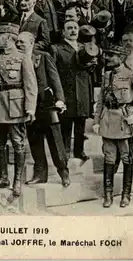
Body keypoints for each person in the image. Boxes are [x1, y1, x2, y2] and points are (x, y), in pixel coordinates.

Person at [0, 26, 37, 197]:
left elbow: (30, 85)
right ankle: (3, 176)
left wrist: (30, 108)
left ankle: (17, 180)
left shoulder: (22, 59)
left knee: (18, 144)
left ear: (9, 38)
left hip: (15, 108)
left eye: (0, 36)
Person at [93, 44, 133, 208]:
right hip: (108, 122)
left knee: (127, 159)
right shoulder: (107, 76)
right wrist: (96, 121)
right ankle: (108, 194)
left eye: (111, 55)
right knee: (109, 158)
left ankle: (126, 195)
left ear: (121, 57)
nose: (107, 58)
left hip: (125, 123)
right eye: (107, 55)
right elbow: (101, 102)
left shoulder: (132, 76)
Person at [22, 33, 70, 187]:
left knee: (55, 140)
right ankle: (40, 174)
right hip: (29, 106)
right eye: (16, 42)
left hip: (47, 104)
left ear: (31, 42)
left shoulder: (43, 56)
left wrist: (60, 99)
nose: (18, 44)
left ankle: (63, 172)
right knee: (35, 141)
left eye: (21, 42)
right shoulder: (18, 59)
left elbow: (54, 78)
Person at [51, 21, 95, 161]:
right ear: (63, 32)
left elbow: (92, 70)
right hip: (66, 90)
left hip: (82, 89)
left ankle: (79, 150)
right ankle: (65, 152)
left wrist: (93, 65)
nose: (73, 31)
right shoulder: (56, 48)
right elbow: (52, 71)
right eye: (69, 28)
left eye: (75, 28)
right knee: (66, 122)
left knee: (81, 121)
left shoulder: (85, 47)